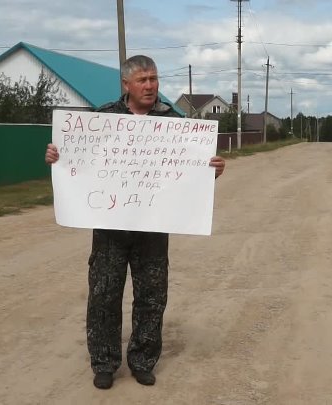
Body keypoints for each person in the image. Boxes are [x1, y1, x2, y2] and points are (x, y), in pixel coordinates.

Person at [45, 55, 225, 389]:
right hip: (110, 228)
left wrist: (212, 171)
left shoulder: (175, 121)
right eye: (142, 80)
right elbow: (78, 162)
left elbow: (187, 175)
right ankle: (104, 363)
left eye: (154, 79)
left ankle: (142, 360)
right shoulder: (104, 118)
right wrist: (57, 158)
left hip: (153, 226)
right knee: (104, 295)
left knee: (152, 296)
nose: (150, 85)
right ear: (126, 84)